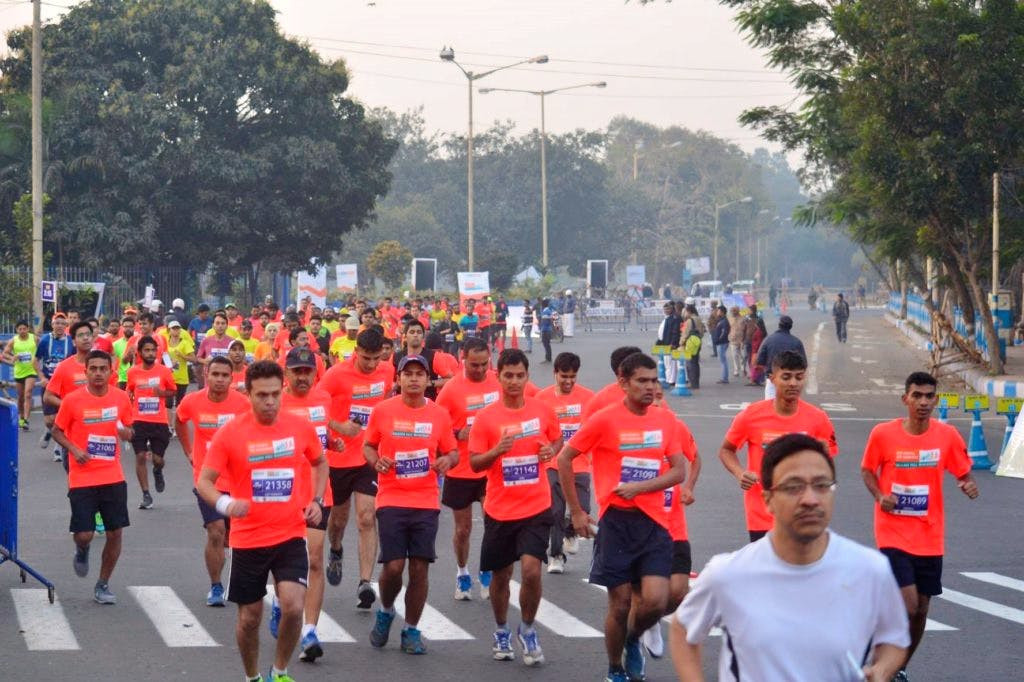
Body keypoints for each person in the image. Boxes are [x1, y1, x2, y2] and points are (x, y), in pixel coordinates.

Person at [671, 434, 909, 682]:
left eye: (821, 485)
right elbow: (683, 627)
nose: (810, 499)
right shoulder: (728, 574)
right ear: (768, 500)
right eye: (793, 487)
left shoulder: (870, 570)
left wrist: (881, 670)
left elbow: (894, 639)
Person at [557, 352, 688, 682]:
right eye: (642, 381)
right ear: (623, 383)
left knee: (657, 602)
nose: (650, 387)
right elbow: (565, 459)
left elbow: (678, 470)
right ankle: (615, 668)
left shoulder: (665, 420)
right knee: (619, 605)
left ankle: (633, 638)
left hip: (655, 522)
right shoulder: (604, 419)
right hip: (616, 523)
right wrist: (576, 511)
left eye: (654, 380)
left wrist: (641, 487)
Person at [198, 360, 328, 682]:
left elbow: (320, 461)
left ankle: (279, 672)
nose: (269, 402)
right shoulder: (231, 433)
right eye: (261, 396)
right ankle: (252, 676)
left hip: (289, 533)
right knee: (249, 619)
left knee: (294, 606)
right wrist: (226, 504)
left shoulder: (299, 427)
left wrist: (316, 500)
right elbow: (204, 482)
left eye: (274, 394)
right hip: (249, 539)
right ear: (249, 394)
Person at [861, 371, 979, 682]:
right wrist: (880, 495)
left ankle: (897, 668)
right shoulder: (883, 434)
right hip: (892, 532)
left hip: (929, 535)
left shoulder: (946, 435)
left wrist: (966, 484)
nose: (923, 402)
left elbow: (962, 471)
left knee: (921, 611)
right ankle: (878, 659)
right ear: (905, 399)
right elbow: (867, 470)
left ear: (936, 400)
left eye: (929, 396)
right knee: (909, 605)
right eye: (917, 396)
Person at [468, 348, 562, 665]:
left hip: (536, 506)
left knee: (533, 570)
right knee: (501, 576)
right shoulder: (486, 418)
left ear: (526, 376)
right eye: (508, 375)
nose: (514, 381)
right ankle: (501, 629)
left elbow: (557, 440)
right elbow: (475, 463)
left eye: (519, 375)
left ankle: (528, 628)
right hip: (499, 509)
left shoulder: (542, 411)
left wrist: (551, 449)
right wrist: (496, 451)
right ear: (499, 377)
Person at [364, 354, 459, 654]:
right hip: (391, 496)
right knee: (394, 567)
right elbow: (368, 445)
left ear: (428, 380)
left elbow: (453, 452)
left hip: (426, 499)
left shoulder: (439, 415)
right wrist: (376, 461)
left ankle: (411, 630)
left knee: (419, 568)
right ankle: (387, 610)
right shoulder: (382, 411)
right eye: (409, 374)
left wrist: (446, 460)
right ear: (399, 379)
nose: (414, 379)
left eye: (420, 374)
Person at [718, 350, 838, 542]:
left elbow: (827, 464)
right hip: (762, 515)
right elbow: (726, 450)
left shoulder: (818, 419)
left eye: (799, 377)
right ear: (772, 379)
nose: (793, 383)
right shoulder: (751, 416)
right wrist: (740, 473)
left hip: (803, 514)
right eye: (786, 377)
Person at [51, 350, 134, 604]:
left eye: (103, 369)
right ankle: (82, 548)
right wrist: (75, 450)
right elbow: (57, 431)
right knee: (85, 533)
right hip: (82, 477)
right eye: (93, 369)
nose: (98, 373)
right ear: (85, 372)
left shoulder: (121, 398)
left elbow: (129, 428)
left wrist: (127, 434)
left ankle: (103, 584)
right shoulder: (73, 400)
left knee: (115, 532)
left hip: (112, 474)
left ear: (111, 372)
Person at [319, 328, 394, 610]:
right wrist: (339, 427)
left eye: (376, 358)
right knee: (337, 521)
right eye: (366, 358)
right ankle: (336, 550)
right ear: (356, 351)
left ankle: (365, 581)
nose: (372, 364)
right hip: (338, 459)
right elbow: (315, 408)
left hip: (369, 456)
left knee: (366, 517)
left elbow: (386, 403)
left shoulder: (387, 371)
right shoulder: (336, 375)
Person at [175, 356, 250, 606]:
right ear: (206, 375)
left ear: (232, 378)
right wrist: (188, 451)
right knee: (216, 531)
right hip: (207, 480)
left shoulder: (242, 404)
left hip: (238, 481)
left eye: (224, 375)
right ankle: (216, 586)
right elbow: (180, 420)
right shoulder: (192, 401)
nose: (219, 380)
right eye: (215, 374)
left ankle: (236, 576)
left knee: (233, 536)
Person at [278, 347, 337, 663]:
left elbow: (322, 437)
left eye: (308, 371)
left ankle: (310, 630)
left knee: (314, 559)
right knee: (284, 559)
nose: (302, 377)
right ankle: (281, 604)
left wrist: (333, 439)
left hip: (317, 493)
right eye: (296, 371)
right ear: (286, 373)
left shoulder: (324, 399)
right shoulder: (275, 401)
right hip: (280, 495)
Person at [436, 337, 501, 600]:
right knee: (463, 530)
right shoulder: (451, 390)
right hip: (461, 469)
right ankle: (462, 573)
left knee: (493, 525)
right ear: (463, 359)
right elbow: (436, 427)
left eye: (484, 364)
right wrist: (456, 432)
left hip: (491, 468)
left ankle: (487, 570)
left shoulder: (497, 381)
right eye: (474, 365)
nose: (480, 369)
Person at [535, 352, 594, 574]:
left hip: (579, 463)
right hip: (552, 463)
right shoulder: (542, 398)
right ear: (555, 374)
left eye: (573, 377)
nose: (568, 381)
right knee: (555, 510)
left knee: (584, 507)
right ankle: (556, 555)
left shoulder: (589, 397)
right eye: (564, 376)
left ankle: (571, 531)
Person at [126, 336, 178, 510]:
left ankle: (157, 470)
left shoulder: (164, 371)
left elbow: (172, 391)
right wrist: (129, 398)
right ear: (140, 353)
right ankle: (146, 494)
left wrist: (162, 393)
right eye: (146, 350)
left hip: (159, 421)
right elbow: (129, 391)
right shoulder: (133, 372)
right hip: (139, 420)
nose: (150, 353)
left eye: (153, 350)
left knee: (158, 459)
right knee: (140, 456)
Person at [35, 312, 73, 452]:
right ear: (52, 324)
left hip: (65, 385)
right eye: (57, 323)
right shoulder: (45, 340)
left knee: (61, 415)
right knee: (49, 420)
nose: (59, 326)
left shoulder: (70, 341)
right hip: (49, 384)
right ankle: (49, 431)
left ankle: (58, 447)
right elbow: (35, 360)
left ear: (66, 326)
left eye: (63, 323)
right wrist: (42, 377)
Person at [754, 315, 805, 399]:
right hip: (790, 381)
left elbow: (759, 360)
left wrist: (767, 371)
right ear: (790, 327)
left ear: (779, 325)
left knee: (770, 406)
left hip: (772, 378)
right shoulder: (797, 342)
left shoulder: (768, 340)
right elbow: (804, 364)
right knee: (788, 408)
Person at [2, 320, 40, 430]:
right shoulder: (13, 340)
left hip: (31, 371)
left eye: (24, 328)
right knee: (20, 397)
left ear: (28, 329)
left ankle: (27, 420)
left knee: (28, 394)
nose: (22, 331)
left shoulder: (34, 338)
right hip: (19, 371)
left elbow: (42, 348)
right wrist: (12, 358)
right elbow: (5, 353)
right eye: (20, 329)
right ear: (16, 330)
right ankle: (21, 417)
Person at [711, 305, 730, 384]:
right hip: (721, 342)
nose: (717, 312)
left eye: (718, 311)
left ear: (722, 312)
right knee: (722, 360)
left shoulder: (724, 321)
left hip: (722, 343)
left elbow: (724, 332)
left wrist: (718, 340)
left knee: (723, 361)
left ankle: (724, 378)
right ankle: (724, 377)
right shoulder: (721, 320)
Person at [727, 305, 745, 380]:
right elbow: (727, 328)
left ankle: (743, 368)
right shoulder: (729, 318)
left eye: (734, 311)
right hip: (733, 339)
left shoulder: (743, 319)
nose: (733, 312)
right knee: (734, 356)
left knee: (742, 356)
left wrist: (744, 339)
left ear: (737, 311)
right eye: (732, 311)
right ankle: (736, 370)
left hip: (741, 339)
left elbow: (745, 329)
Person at [538, 298, 555, 363]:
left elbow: (550, 319)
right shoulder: (546, 310)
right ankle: (548, 358)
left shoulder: (546, 311)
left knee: (546, 344)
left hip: (546, 330)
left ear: (543, 304)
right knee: (546, 344)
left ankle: (548, 358)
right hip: (546, 329)